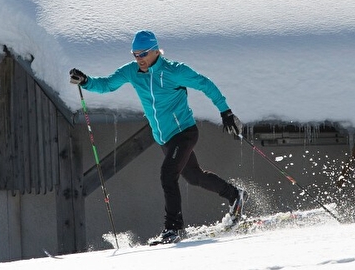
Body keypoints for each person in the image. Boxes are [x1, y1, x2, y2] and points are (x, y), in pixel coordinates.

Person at [70, 30, 245, 243]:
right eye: (135, 54)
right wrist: (86, 81)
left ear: (155, 51)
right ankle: (235, 195)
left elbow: (205, 84)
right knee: (194, 176)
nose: (139, 59)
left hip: (184, 132)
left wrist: (225, 112)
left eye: (143, 54)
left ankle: (173, 229)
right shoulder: (132, 71)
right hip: (164, 139)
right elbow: (107, 84)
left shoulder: (174, 71)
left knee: (167, 175)